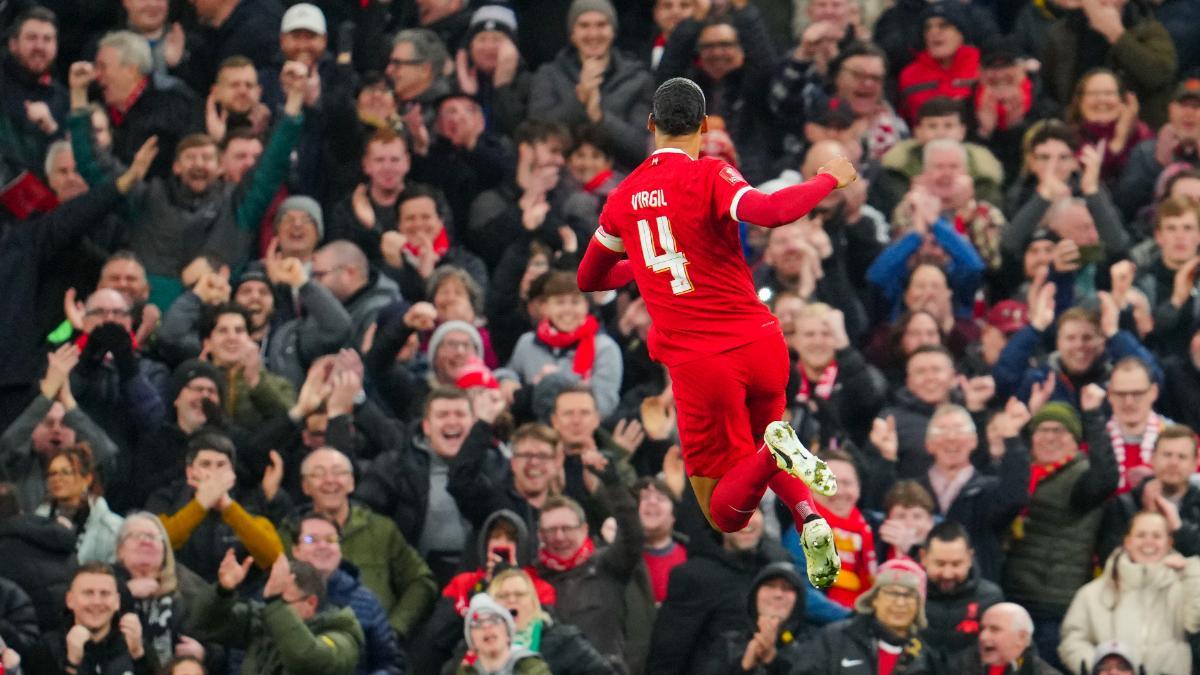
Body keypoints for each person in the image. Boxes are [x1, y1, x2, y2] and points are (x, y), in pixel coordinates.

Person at [576, 76, 856, 588]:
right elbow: (771, 212)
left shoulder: (622, 198)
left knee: (725, 513)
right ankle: (809, 516)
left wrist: (642, 266)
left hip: (703, 366)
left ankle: (778, 453)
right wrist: (827, 180)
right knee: (768, 429)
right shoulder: (712, 174)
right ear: (704, 127)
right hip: (762, 343)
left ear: (650, 126)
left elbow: (589, 279)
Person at [1058, 511, 1200, 675]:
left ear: (1169, 543)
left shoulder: (1185, 587)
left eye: (1157, 536)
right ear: (1127, 541)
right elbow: (1072, 639)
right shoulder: (1091, 594)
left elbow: (1195, 623)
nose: (1149, 542)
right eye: (1141, 535)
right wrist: (1101, 667)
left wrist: (1191, 572)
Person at [192, 553, 364, 675]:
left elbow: (307, 658)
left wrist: (275, 602)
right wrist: (223, 592)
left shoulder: (342, 634)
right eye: (272, 598)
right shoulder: (264, 620)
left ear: (311, 603)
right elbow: (203, 624)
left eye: (283, 601)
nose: (274, 608)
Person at [288, 511, 406, 675]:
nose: (322, 546)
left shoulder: (366, 600)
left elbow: (389, 662)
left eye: (331, 539)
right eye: (311, 540)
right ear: (296, 550)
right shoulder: (275, 596)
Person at [790, 558, 941, 675]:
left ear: (919, 605)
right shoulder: (835, 639)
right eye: (892, 593)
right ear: (874, 599)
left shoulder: (927, 658)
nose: (900, 603)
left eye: (909, 596)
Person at [113, 513, 204, 673]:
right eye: (136, 536)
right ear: (120, 550)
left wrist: (203, 652)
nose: (146, 541)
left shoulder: (189, 586)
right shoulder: (105, 581)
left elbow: (217, 640)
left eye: (153, 536)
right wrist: (125, 591)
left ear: (164, 549)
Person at [30, 562, 152, 675]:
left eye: (105, 593)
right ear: (70, 600)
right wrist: (71, 664)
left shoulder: (136, 646)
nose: (96, 602)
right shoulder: (49, 647)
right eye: (88, 593)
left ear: (117, 602)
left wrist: (138, 656)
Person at [1099, 424, 1200, 560]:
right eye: (1167, 455)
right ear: (1152, 459)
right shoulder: (1123, 505)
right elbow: (1109, 558)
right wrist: (1146, 516)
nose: (1173, 463)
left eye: (1182, 457)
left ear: (1195, 464)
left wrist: (1179, 528)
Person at [918, 522, 1004, 660]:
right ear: (923, 557)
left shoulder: (990, 598)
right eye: (940, 564)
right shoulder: (907, 596)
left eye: (956, 564)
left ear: (970, 558)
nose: (947, 574)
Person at [36, 444, 124, 564]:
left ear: (87, 479)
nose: (57, 478)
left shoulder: (113, 528)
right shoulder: (37, 520)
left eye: (66, 472)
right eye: (52, 473)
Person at [455, 593, 551, 675]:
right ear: (471, 639)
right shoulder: (466, 672)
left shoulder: (530, 665)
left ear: (508, 634)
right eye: (477, 623)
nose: (486, 626)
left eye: (494, 620)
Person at [951, 602, 1059, 674]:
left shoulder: (1041, 672)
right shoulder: (961, 665)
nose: (983, 637)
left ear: (1021, 637)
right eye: (982, 629)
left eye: (995, 629)